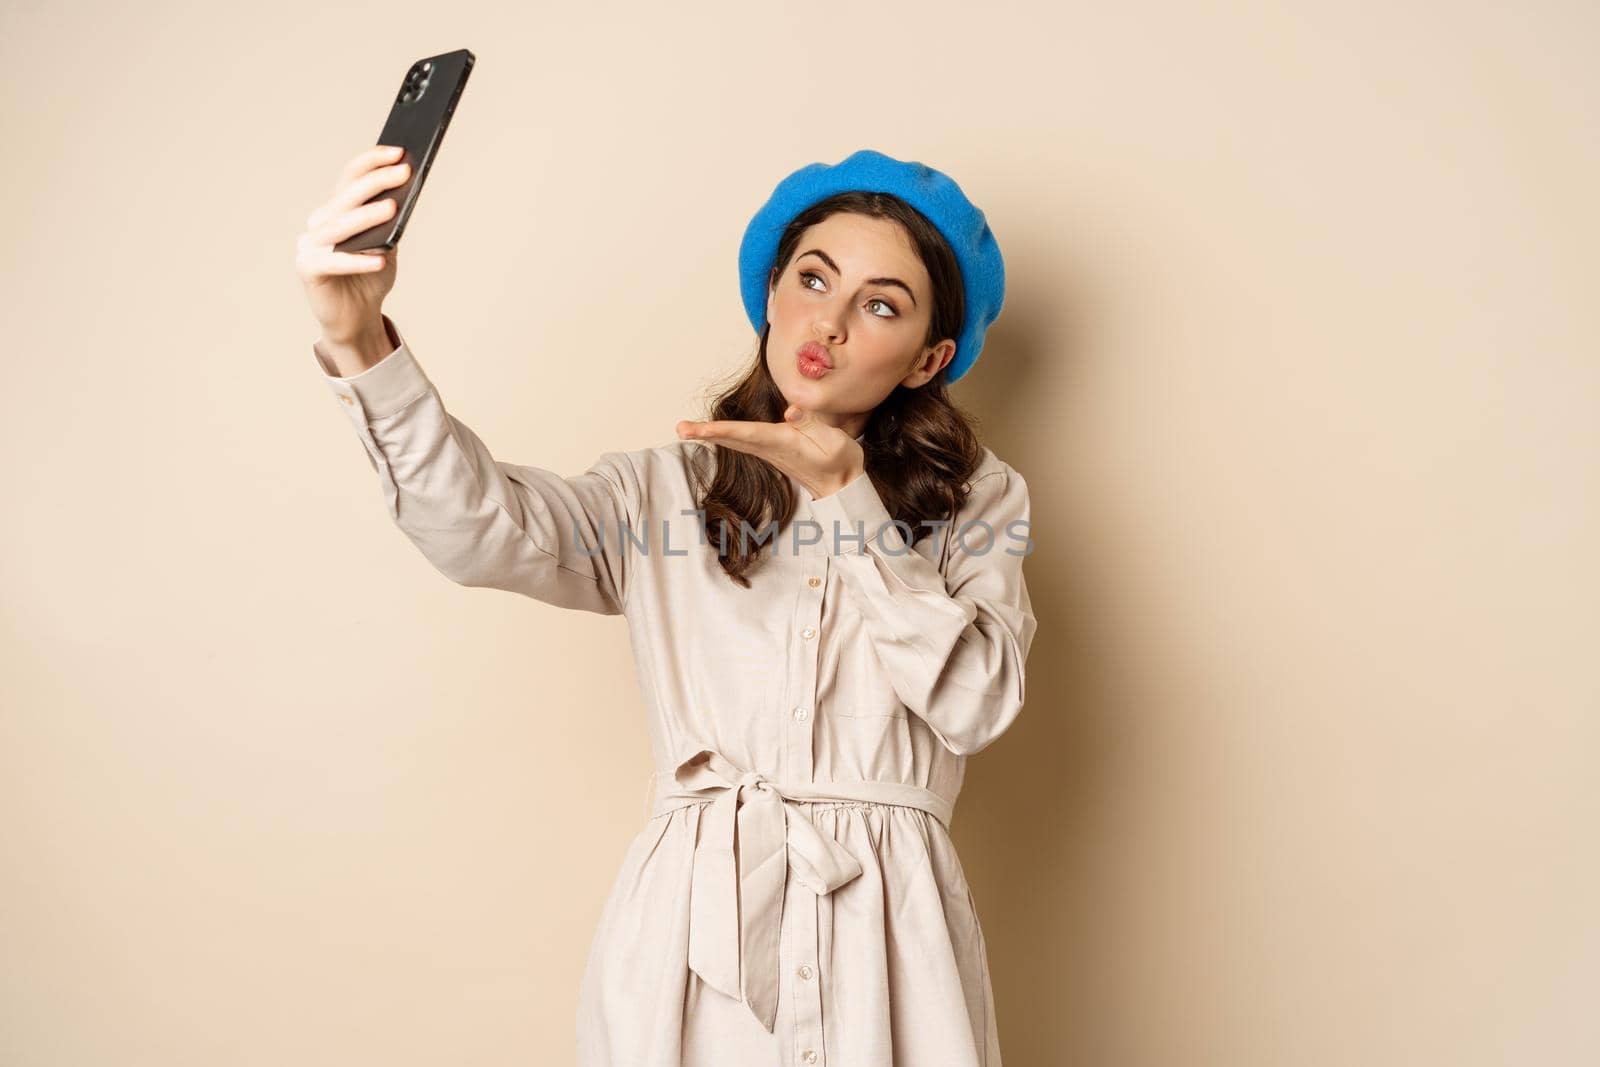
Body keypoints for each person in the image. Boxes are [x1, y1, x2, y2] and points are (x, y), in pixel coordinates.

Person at [295, 146, 1037, 1067]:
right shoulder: (664, 494)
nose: (831, 321)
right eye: (813, 278)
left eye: (880, 304)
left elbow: (975, 703)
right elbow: (475, 526)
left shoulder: (979, 501)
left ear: (929, 358)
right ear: (770, 292)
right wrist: (360, 342)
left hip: (891, 937)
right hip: (690, 936)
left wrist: (850, 498)